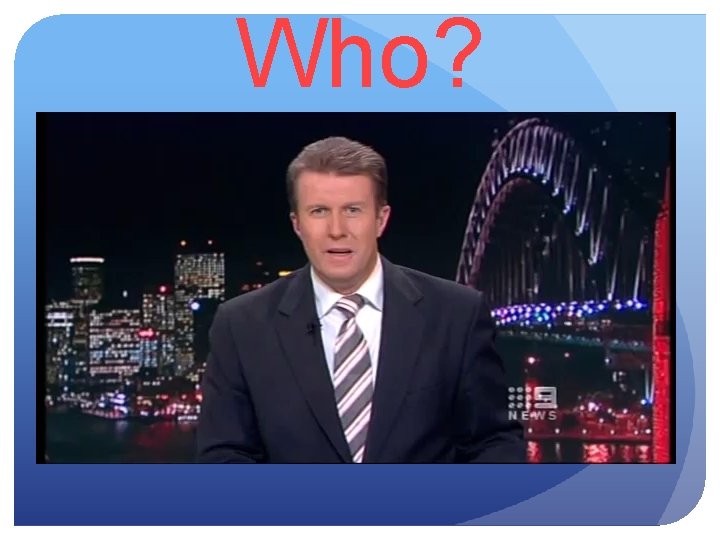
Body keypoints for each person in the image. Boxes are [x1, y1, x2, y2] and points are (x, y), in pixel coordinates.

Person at [196, 136, 526, 463]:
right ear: (297, 224)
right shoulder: (241, 325)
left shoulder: (457, 314)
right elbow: (225, 457)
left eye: (353, 210)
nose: (337, 229)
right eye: (319, 211)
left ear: (381, 219)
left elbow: (493, 444)